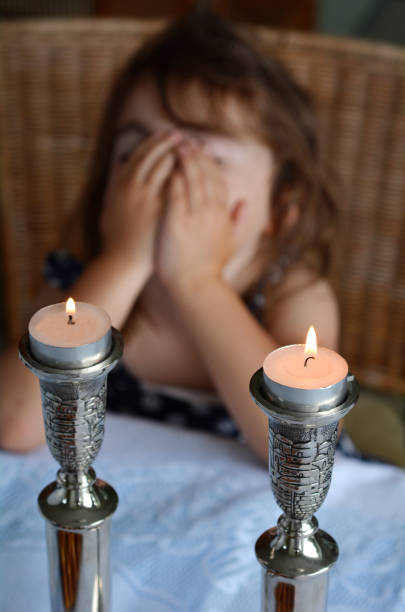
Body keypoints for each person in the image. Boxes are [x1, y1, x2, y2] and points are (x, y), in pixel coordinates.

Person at [0, 12, 339, 461]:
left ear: (280, 206)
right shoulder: (79, 285)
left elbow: (300, 451)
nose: (162, 180)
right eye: (135, 155)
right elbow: (14, 423)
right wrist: (121, 261)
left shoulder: (292, 294)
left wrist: (197, 282)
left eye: (204, 160)